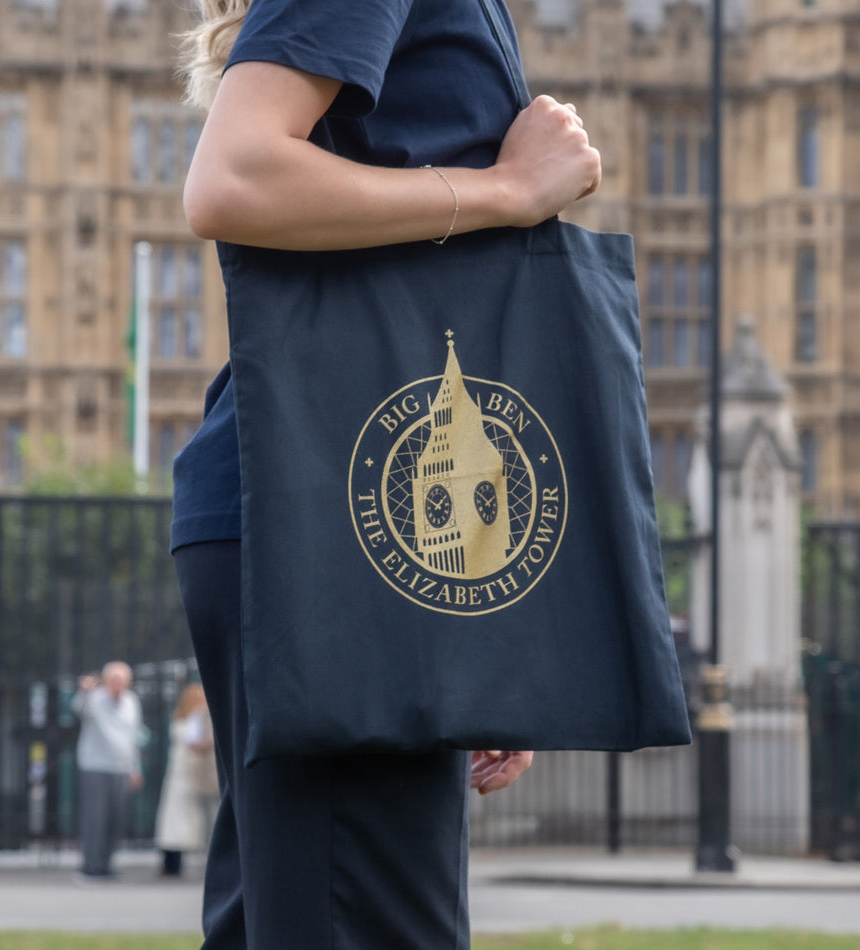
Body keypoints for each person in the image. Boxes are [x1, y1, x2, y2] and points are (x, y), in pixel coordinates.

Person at [172, 0, 600, 946]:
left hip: (356, 511)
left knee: (295, 917)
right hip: (324, 514)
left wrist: (481, 596)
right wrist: (507, 191)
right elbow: (235, 178)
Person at [72, 661, 144, 879]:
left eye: (122, 680)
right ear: (106, 681)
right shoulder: (95, 698)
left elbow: (134, 736)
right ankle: (90, 864)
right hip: (95, 765)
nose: (118, 684)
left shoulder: (132, 701)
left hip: (121, 767)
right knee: (95, 817)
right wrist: (84, 691)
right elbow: (79, 709)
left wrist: (135, 768)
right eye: (114, 680)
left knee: (115, 818)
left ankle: (106, 863)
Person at [155, 682, 219, 876]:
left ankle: (172, 862)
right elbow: (195, 745)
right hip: (187, 775)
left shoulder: (181, 719)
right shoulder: (194, 718)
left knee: (177, 821)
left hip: (182, 774)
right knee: (181, 821)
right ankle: (173, 863)